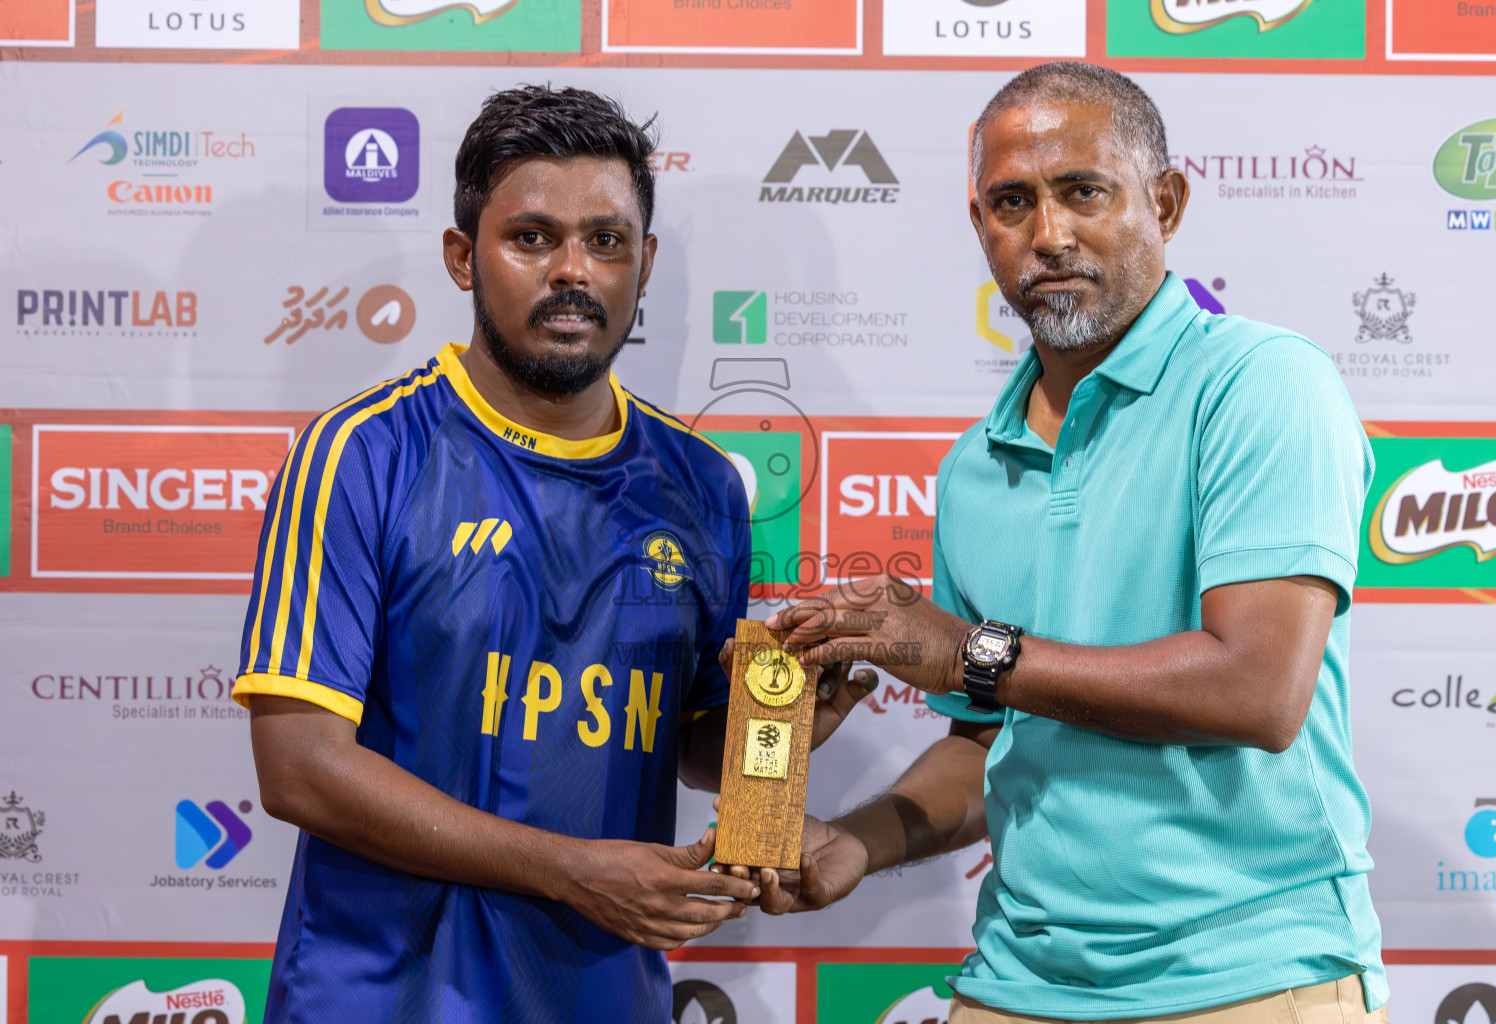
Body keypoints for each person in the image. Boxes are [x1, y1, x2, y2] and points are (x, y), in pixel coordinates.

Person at [736, 62, 1389, 1024]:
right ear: (980, 226)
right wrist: (861, 841)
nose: (1049, 236)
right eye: (1012, 203)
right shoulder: (973, 466)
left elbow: (1257, 690)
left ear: (1165, 202)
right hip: (1018, 981)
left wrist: (967, 650)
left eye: (1083, 191)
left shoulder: (1262, 385)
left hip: (1251, 975)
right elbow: (988, 740)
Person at [233, 85, 869, 1024]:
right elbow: (297, 766)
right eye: (532, 237)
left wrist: (775, 730)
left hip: (601, 997)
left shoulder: (703, 485)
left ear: (643, 265)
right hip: (379, 999)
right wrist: (571, 870)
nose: (574, 270)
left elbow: (695, 749)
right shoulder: (363, 452)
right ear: (463, 256)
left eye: (606, 242)